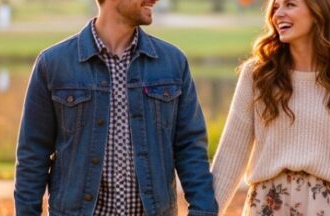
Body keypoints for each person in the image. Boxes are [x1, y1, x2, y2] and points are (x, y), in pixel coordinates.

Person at [14, 0, 218, 215]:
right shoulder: (53, 64)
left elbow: (191, 149)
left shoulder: (173, 62)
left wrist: (203, 211)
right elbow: (32, 156)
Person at [210, 0, 330, 215]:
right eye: (276, 7)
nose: (278, 14)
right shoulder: (258, 74)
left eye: (290, 5)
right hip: (269, 205)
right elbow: (230, 155)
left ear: (318, 11)